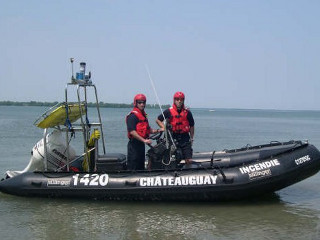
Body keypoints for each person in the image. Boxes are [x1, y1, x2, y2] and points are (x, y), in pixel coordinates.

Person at [156, 91, 195, 165]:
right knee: (172, 159)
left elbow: (192, 125)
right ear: (174, 100)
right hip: (173, 137)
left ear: (183, 100)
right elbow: (158, 120)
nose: (179, 101)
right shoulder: (168, 111)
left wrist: (192, 138)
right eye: (177, 99)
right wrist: (164, 128)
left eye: (181, 99)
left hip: (185, 137)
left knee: (189, 159)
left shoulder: (187, 112)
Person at [126, 94, 159, 170]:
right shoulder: (132, 116)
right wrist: (144, 140)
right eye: (140, 102)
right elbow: (132, 132)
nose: (142, 104)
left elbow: (148, 129)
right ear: (135, 103)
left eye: (143, 102)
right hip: (134, 145)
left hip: (141, 145)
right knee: (134, 164)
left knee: (141, 164)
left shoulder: (143, 115)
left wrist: (158, 130)